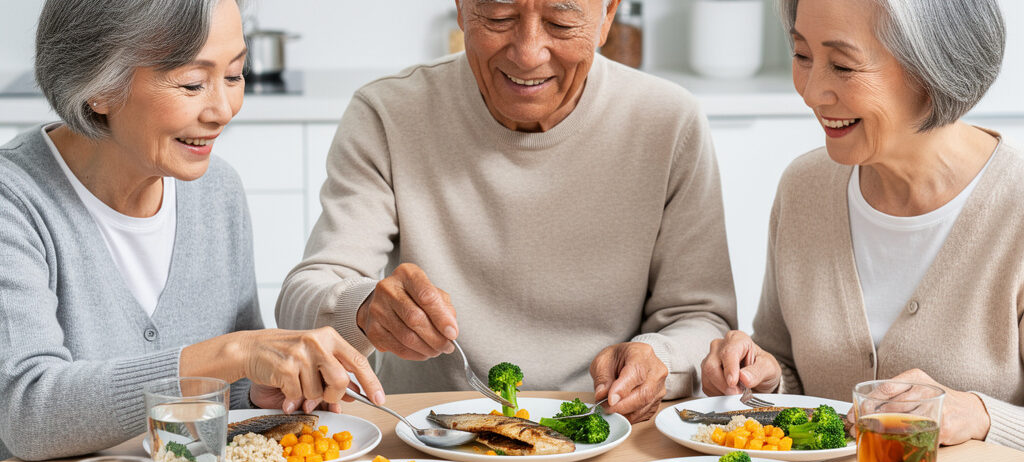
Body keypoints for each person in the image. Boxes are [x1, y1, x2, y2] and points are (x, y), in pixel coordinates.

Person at [277, 0, 736, 423]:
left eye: (560, 22)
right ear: (460, 8)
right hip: (431, 440)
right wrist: (362, 309)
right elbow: (303, 294)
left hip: (608, 430)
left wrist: (659, 357)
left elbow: (702, 319)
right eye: (498, 16)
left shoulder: (668, 120)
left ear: (607, 15)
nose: (528, 53)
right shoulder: (388, 113)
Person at [0, 0, 383, 461]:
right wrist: (236, 352)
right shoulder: (14, 199)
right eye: (192, 83)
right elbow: (27, 414)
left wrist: (258, 392)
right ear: (97, 87)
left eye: (236, 75)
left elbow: (232, 381)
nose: (223, 110)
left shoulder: (217, 191)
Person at [700, 0, 1023, 451]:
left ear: (934, 70)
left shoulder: (1016, 210)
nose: (812, 93)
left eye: (843, 66)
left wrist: (982, 416)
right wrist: (764, 378)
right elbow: (790, 368)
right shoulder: (804, 187)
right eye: (802, 55)